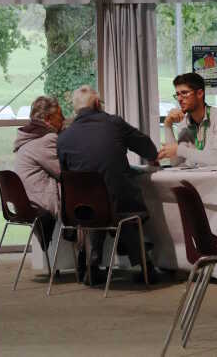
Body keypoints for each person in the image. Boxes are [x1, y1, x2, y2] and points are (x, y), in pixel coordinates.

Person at [57, 85, 159, 284]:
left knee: (96, 202)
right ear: (97, 104)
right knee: (122, 203)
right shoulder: (114, 124)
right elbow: (146, 146)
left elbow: (65, 174)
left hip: (82, 210)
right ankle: (145, 267)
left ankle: (92, 264)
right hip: (118, 205)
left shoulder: (63, 138)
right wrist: (153, 156)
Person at [13, 96, 64, 250]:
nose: (63, 119)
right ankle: (89, 262)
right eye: (60, 116)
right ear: (48, 118)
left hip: (25, 203)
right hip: (41, 205)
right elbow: (64, 172)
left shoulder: (28, 138)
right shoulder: (47, 139)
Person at [158, 72, 217, 167]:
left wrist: (179, 150)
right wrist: (167, 125)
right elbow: (176, 163)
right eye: (177, 94)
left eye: (184, 93)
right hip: (199, 179)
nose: (179, 99)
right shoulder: (184, 124)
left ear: (200, 93)